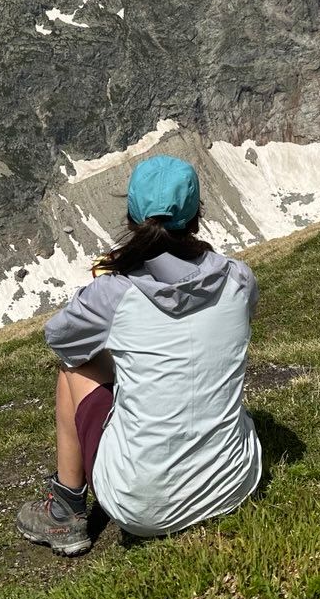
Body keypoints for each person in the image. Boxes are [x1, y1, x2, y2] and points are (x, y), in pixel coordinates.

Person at [15, 154, 263, 556]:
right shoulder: (238, 276)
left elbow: (61, 341)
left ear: (132, 217)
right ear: (196, 215)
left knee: (73, 370)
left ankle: (65, 509)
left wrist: (101, 295)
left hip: (143, 509)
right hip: (235, 484)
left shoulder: (114, 293)